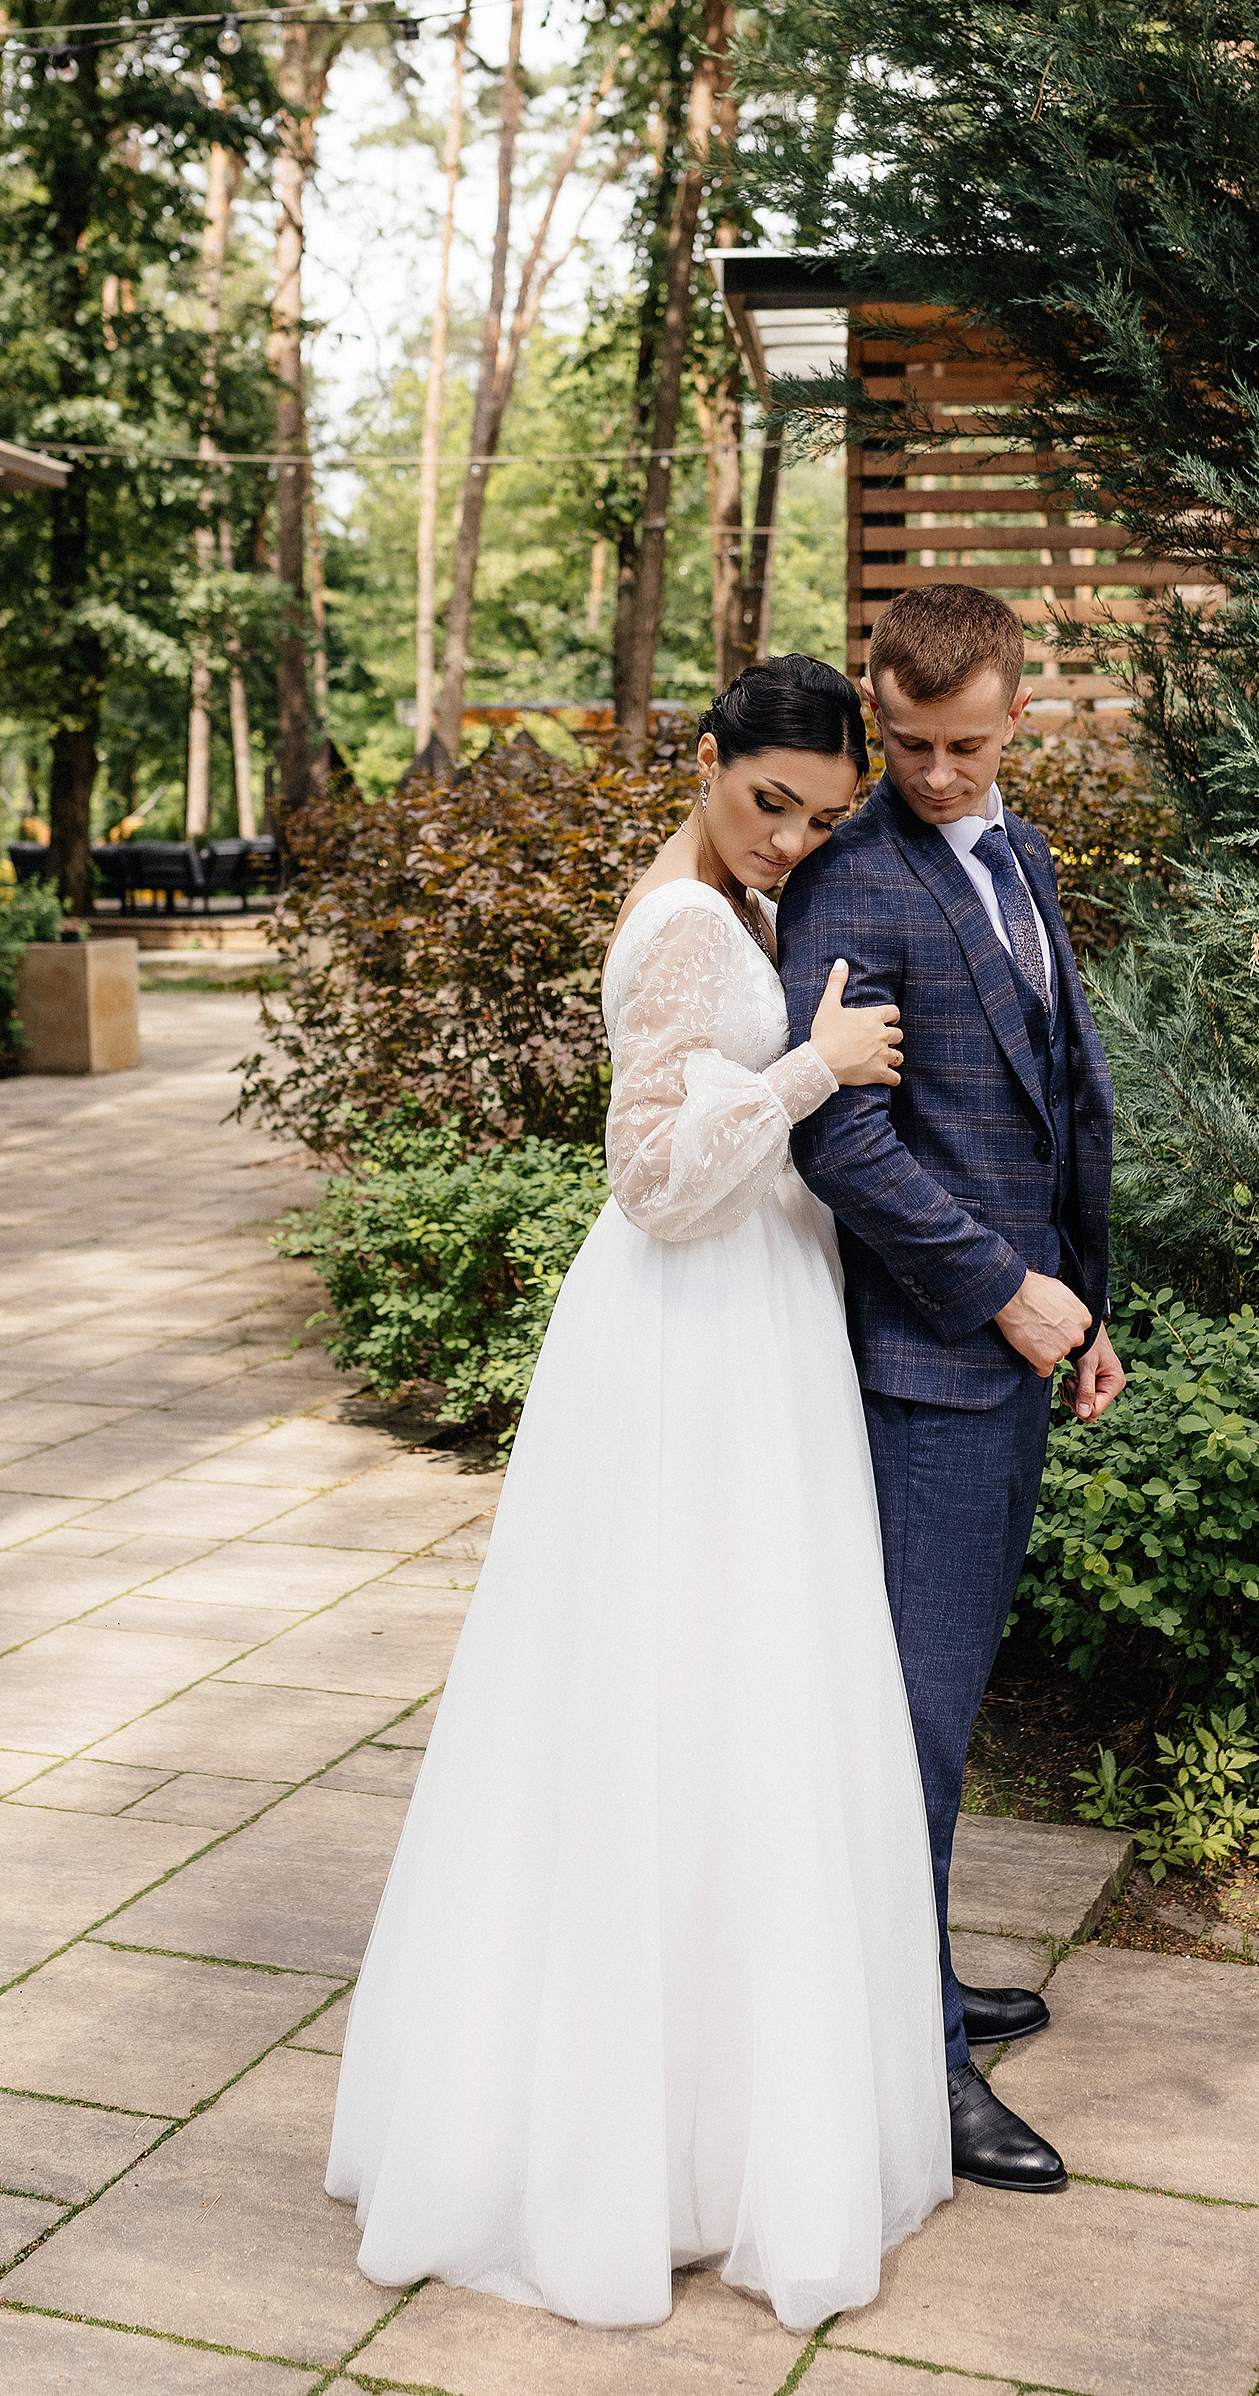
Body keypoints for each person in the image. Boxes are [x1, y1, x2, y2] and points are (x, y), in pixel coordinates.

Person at [326, 655, 953, 2332]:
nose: (792, 840)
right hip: (692, 1336)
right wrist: (818, 1069)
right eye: (769, 802)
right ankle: (639, 2144)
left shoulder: (716, 903)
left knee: (716, 1709)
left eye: (822, 815)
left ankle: (695, 2119)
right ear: (705, 760)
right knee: (686, 1694)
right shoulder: (684, 925)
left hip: (735, 1329)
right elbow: (658, 1179)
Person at [777, 584, 1126, 2199]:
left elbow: (1051, 1100)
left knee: (945, 1710)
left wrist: (1084, 1309)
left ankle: (919, 1983)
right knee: (910, 1730)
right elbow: (837, 1136)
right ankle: (914, 2063)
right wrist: (1003, 1293)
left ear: (1016, 712)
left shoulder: (1020, 848)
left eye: (964, 745)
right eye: (907, 744)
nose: (931, 774)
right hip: (924, 1368)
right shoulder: (850, 879)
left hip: (1014, 1349)